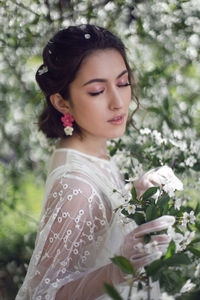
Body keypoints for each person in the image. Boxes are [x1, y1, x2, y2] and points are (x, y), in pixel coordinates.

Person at [16, 24, 175, 300]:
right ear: (62, 103)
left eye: (123, 83)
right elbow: (41, 294)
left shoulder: (87, 149)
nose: (118, 102)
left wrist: (135, 199)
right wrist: (118, 270)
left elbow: (97, 239)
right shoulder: (77, 187)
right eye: (97, 90)